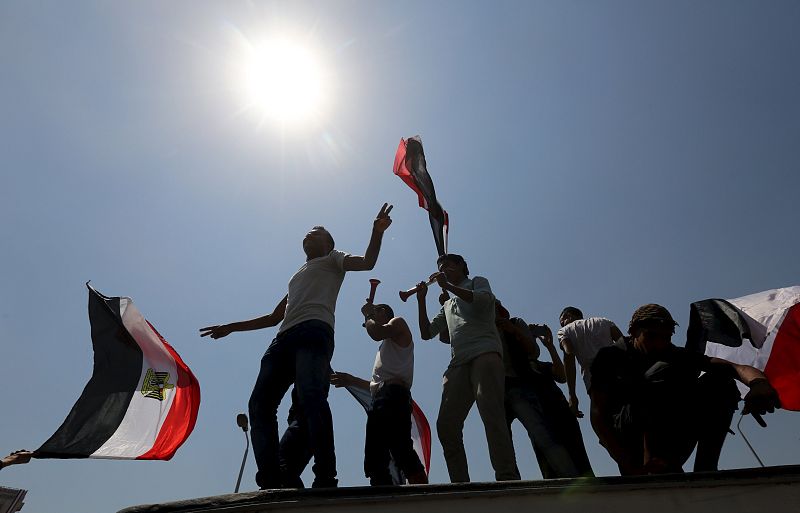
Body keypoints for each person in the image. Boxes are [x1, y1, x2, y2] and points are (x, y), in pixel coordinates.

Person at [200, 204, 393, 489]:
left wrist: (376, 233)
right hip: (282, 339)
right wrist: (232, 327)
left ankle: (325, 475)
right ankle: (271, 477)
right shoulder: (296, 276)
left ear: (327, 243)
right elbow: (273, 317)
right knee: (260, 405)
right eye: (305, 234)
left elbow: (367, 262)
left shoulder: (333, 260)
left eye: (314, 233)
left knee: (312, 397)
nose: (307, 236)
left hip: (314, 332)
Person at [589, 303, 781, 475]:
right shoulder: (610, 357)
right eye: (651, 336)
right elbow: (598, 416)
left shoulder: (673, 353)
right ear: (633, 331)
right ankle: (653, 465)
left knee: (720, 382)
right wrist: (629, 465)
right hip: (628, 441)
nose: (659, 344)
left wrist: (759, 384)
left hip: (669, 436)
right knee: (661, 371)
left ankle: (705, 471)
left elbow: (734, 368)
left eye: (665, 337)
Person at [415, 253, 520, 483]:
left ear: (462, 266)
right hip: (458, 361)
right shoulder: (447, 303)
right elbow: (426, 333)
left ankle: (507, 477)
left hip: (485, 352)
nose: (443, 268)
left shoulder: (477, 282)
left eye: (448, 265)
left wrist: (450, 286)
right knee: (446, 425)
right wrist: (421, 300)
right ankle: (460, 484)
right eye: (441, 266)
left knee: (491, 414)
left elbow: (483, 301)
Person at [495, 302, 594, 479]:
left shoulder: (539, 366)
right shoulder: (522, 371)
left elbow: (561, 376)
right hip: (541, 415)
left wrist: (551, 347)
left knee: (576, 454)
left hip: (559, 411)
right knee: (547, 456)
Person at [557, 307, 624, 418]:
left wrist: (572, 395)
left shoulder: (564, 331)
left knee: (607, 419)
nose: (562, 325)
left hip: (595, 381)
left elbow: (569, 355)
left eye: (562, 322)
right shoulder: (604, 321)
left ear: (568, 316)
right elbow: (623, 344)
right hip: (620, 375)